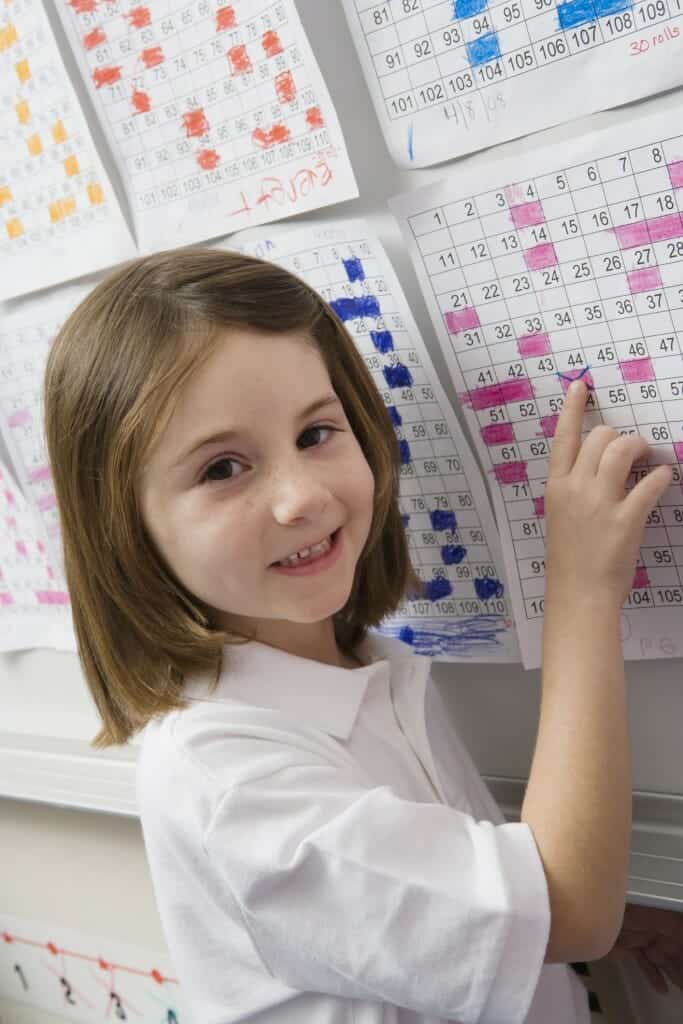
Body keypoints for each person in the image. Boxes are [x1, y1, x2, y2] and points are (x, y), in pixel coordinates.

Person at [43, 246, 675, 1023]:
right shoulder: (227, 777)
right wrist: (577, 592)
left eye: (315, 434)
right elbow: (568, 905)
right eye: (221, 469)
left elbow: (484, 911)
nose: (301, 497)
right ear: (124, 528)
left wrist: (562, 939)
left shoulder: (371, 668)